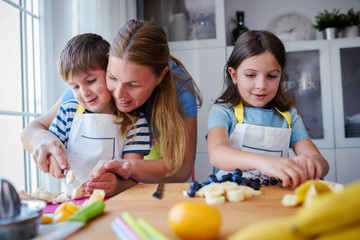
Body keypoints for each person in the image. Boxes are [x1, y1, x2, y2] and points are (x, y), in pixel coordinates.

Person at [21, 19, 202, 196]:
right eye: (112, 78)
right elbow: (31, 130)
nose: (118, 94)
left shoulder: (179, 90)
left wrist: (126, 167)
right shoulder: (88, 88)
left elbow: (181, 168)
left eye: (133, 85)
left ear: (160, 76)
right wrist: (42, 140)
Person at [207, 30, 329, 189]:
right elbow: (216, 153)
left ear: (281, 76)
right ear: (234, 75)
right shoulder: (223, 112)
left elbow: (322, 162)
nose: (261, 85)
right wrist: (263, 162)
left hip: (276, 201)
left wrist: (312, 163)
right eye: (251, 75)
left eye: (271, 76)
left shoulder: (288, 116)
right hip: (234, 202)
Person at [47, 33, 151, 192]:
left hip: (115, 203)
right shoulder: (67, 113)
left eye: (90, 81)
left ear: (110, 74)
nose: (84, 93)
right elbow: (50, 149)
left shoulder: (135, 122)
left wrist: (116, 185)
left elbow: (133, 177)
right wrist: (52, 159)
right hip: (72, 203)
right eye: (74, 87)